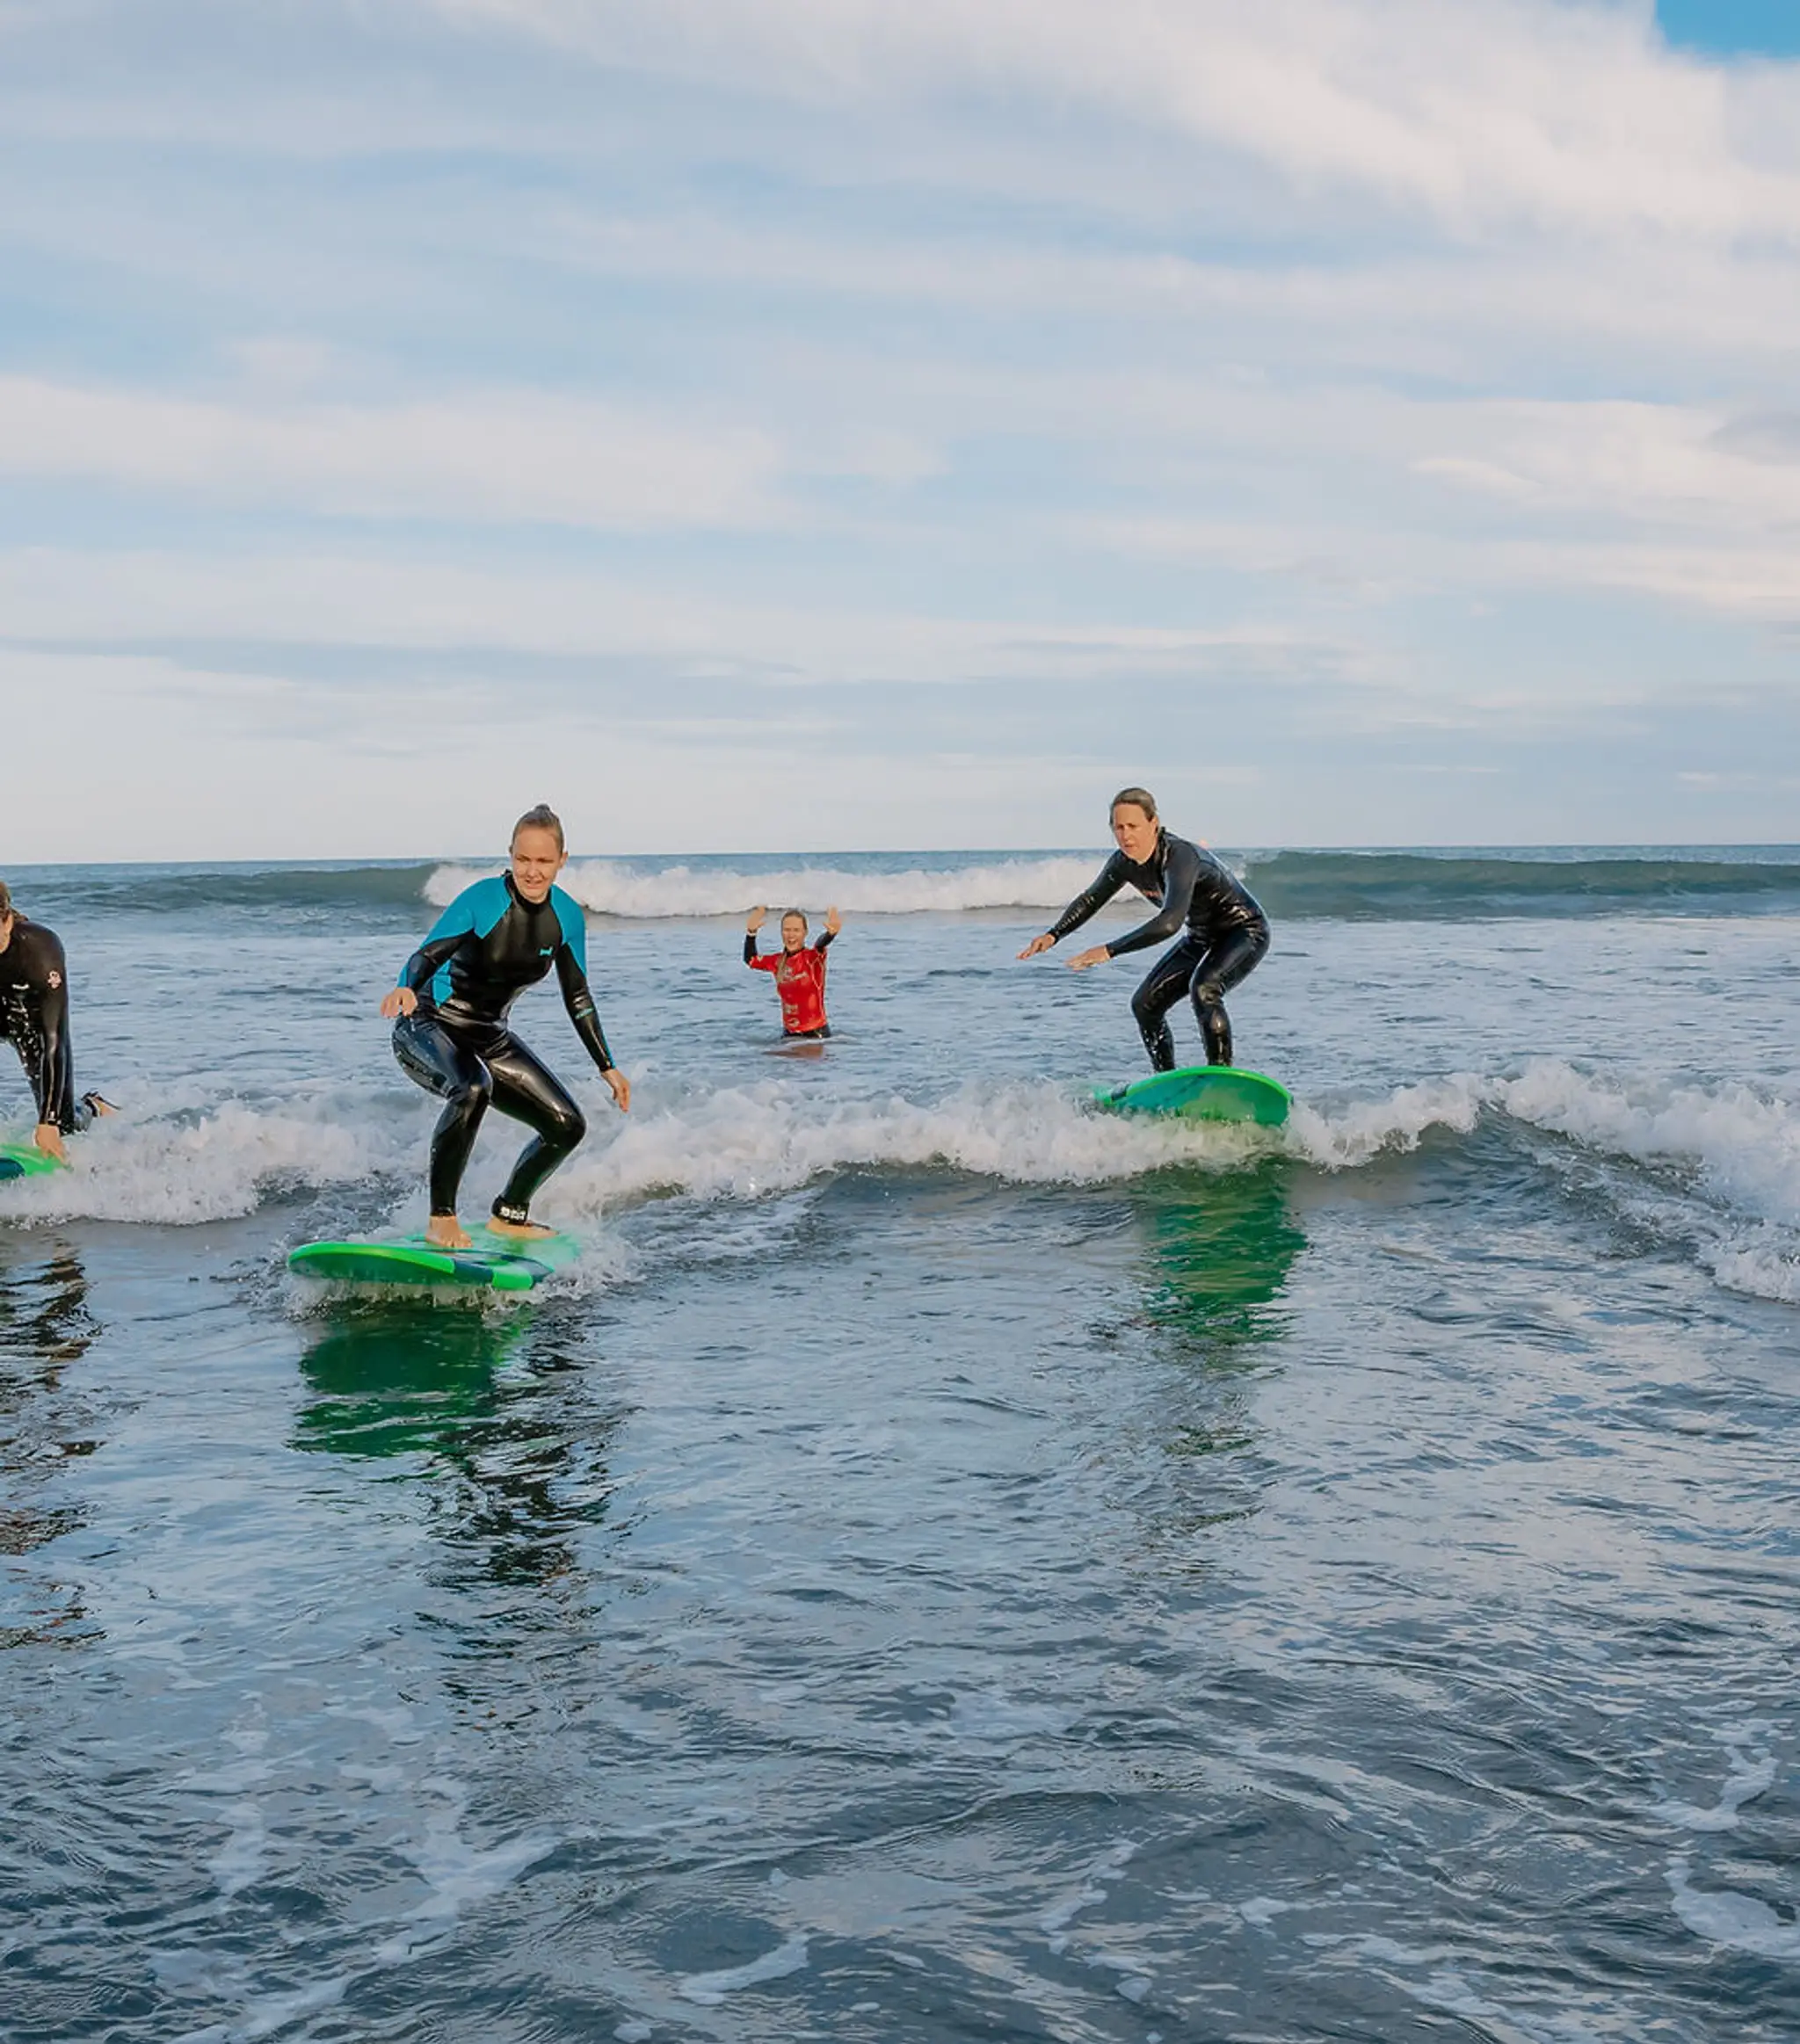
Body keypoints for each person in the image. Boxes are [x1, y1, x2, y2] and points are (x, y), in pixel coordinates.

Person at [380, 806, 629, 1250]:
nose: (532, 872)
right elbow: (427, 956)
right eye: (523, 860)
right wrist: (405, 988)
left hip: (489, 1037)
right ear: (511, 856)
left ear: (562, 860)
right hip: (428, 1024)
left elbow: (577, 996)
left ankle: (510, 1214)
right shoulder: (483, 900)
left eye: (543, 862)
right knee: (472, 1088)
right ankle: (442, 1220)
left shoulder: (566, 917)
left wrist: (606, 1066)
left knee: (566, 1125)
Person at [1019, 786, 1269, 1070]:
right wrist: (1055, 934)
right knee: (1145, 1005)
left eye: (1133, 826)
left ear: (1154, 824)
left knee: (1205, 988)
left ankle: (1222, 1074)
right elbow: (1092, 898)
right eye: (1118, 827)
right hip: (1201, 937)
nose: (1126, 835)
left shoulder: (1180, 857)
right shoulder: (1123, 863)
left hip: (1244, 931)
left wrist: (1109, 950)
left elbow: (1170, 922)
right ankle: (1165, 1079)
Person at [0, 881, 114, 1162]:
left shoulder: (41, 949)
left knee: (63, 1126)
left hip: (31, 1024)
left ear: (6, 921)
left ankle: (91, 1106)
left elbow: (55, 1039)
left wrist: (47, 1123)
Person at [744, 905, 842, 1039]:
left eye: (796, 930)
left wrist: (830, 935)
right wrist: (751, 934)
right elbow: (751, 960)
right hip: (789, 1034)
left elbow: (820, 944)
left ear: (805, 932)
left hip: (815, 1035)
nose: (791, 935)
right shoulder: (777, 962)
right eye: (786, 930)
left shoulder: (812, 958)